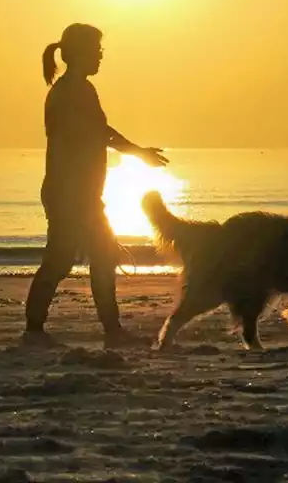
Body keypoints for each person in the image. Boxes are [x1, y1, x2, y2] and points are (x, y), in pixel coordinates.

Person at [23, 23, 169, 348]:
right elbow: (100, 133)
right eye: (97, 50)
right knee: (67, 260)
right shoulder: (71, 92)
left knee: (93, 257)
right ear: (80, 53)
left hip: (81, 193)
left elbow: (101, 131)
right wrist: (139, 153)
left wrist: (137, 152)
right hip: (70, 194)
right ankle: (38, 330)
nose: (101, 56)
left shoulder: (78, 89)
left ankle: (105, 331)